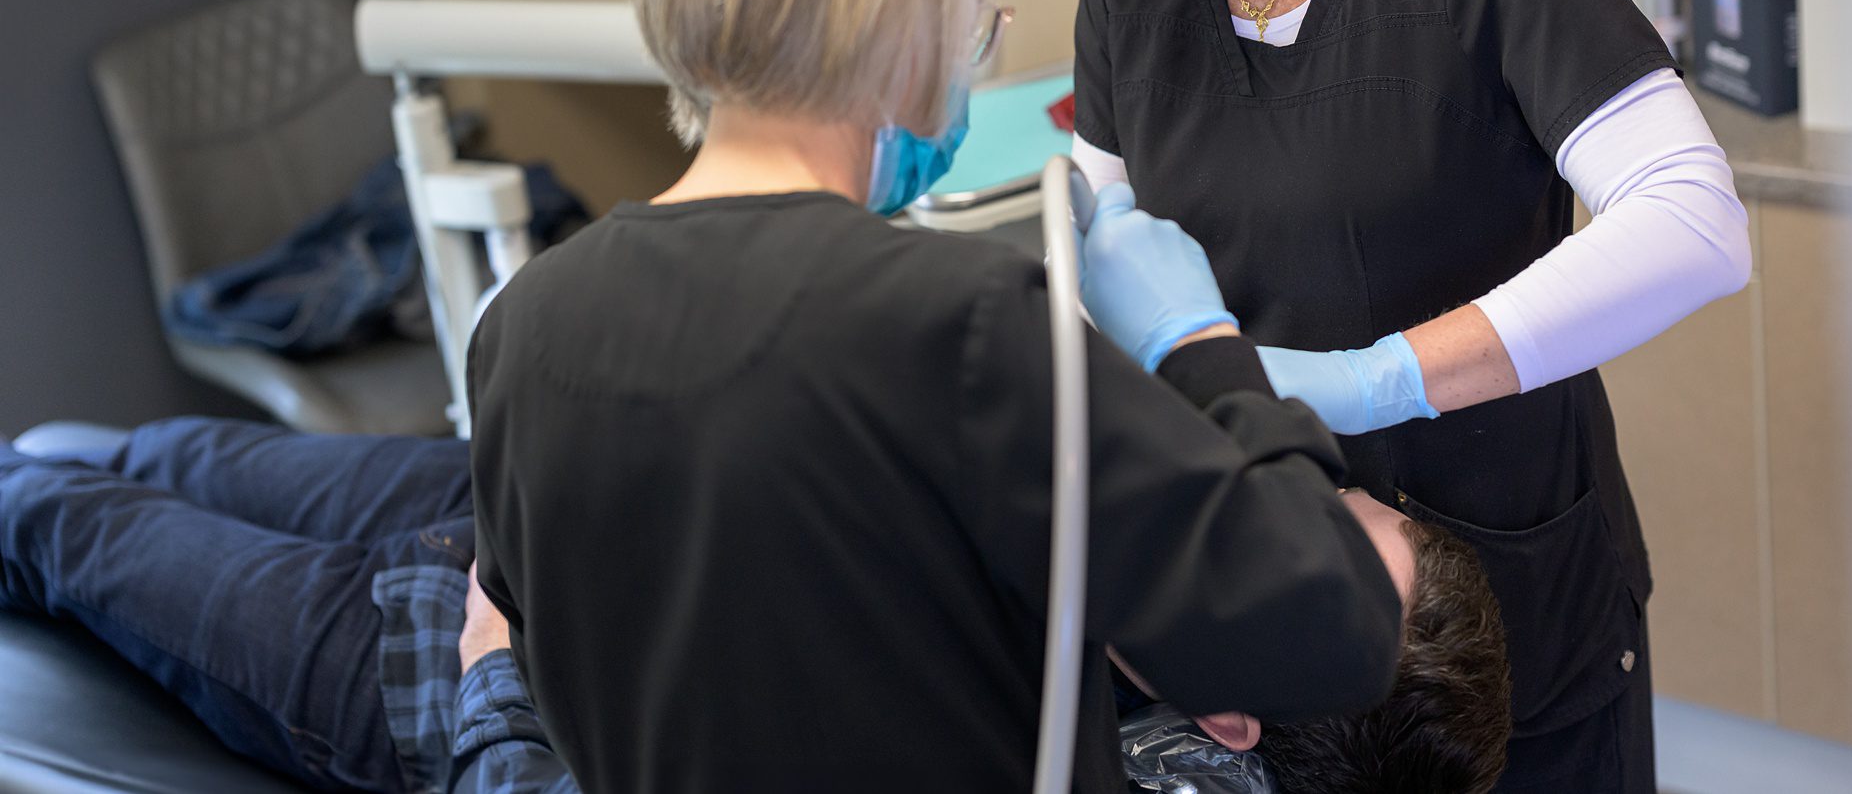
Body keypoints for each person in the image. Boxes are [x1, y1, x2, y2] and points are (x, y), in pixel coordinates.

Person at [466, 0, 1444, 793]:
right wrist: (1202, 350)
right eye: (970, 26)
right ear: (900, 32)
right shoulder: (957, 326)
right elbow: (1331, 632)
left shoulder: (523, 328)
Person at [969, 0, 1754, 791]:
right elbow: (1103, 223)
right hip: (1276, 619)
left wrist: (1374, 381)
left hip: (1501, 598)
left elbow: (1693, 222)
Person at [0, 417, 1509, 794]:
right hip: (518, 512)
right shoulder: (1146, 579)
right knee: (140, 456)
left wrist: (494, 676)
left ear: (1234, 715)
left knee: (66, 519)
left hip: (438, 665)